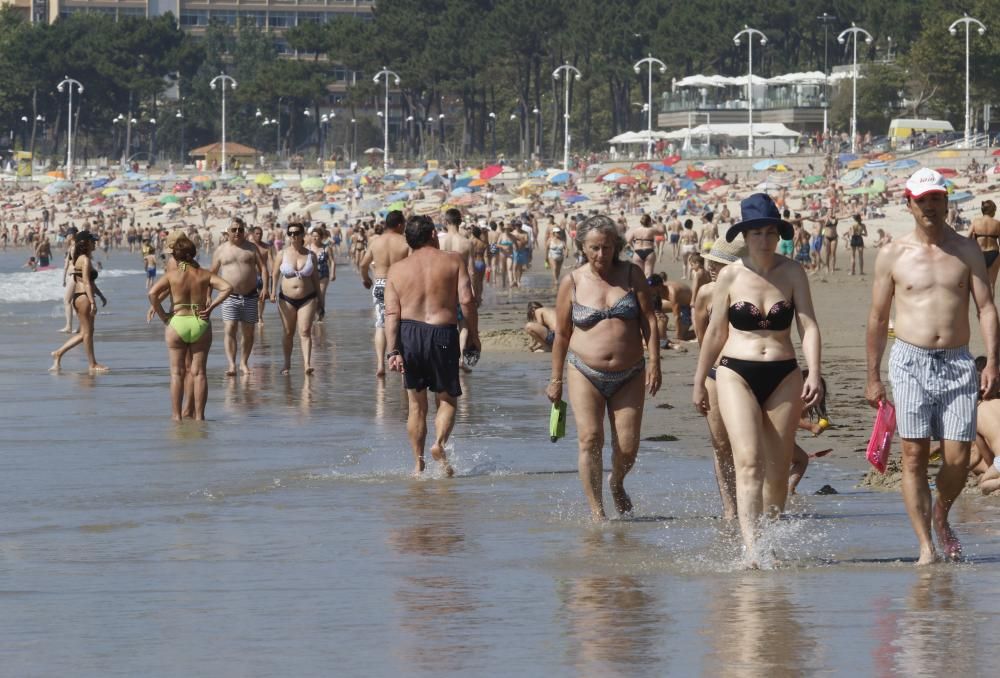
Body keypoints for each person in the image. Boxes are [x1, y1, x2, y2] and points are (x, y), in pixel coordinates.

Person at [866, 168, 999, 565]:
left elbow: (987, 308)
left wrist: (992, 361)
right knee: (913, 455)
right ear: (909, 203)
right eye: (922, 200)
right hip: (909, 359)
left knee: (957, 459)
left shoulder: (966, 250)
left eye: (936, 199)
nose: (930, 207)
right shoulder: (893, 253)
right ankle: (926, 546)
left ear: (946, 203)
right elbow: (876, 317)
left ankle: (941, 512)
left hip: (959, 361)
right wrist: (872, 375)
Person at [694, 194, 822, 565]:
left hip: (783, 373)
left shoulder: (794, 272)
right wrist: (700, 380)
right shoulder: (730, 275)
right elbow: (715, 334)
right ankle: (751, 549)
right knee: (748, 461)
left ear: (778, 234)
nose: (764, 240)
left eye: (770, 232)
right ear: (744, 237)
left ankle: (770, 540)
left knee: (779, 468)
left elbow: (808, 325)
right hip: (736, 371)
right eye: (756, 233)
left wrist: (814, 371)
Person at [546, 214, 661, 521]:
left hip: (631, 372)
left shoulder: (632, 274)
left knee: (627, 447)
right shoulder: (571, 281)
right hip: (585, 371)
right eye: (594, 248)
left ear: (617, 246)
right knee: (590, 438)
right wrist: (555, 379)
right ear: (582, 247)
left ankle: (617, 481)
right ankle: (597, 512)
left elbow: (649, 319)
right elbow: (562, 334)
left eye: (607, 247)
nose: (600, 255)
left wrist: (655, 363)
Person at [383, 215, 480, 477]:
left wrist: (393, 350)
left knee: (416, 405)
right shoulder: (452, 260)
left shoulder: (396, 269)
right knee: (446, 399)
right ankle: (438, 444)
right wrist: (473, 334)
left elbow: (391, 314)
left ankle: (418, 463)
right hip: (442, 334)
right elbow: (467, 300)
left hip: (409, 334)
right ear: (433, 236)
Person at [147, 237, 232, 420]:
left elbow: (152, 293)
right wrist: (211, 307)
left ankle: (176, 417)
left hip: (177, 321)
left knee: (177, 373)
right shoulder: (204, 274)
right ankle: (199, 417)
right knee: (199, 372)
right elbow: (227, 287)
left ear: (176, 256)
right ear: (193, 253)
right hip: (199, 321)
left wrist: (162, 316)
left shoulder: (172, 275)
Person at [693, 239, 747, 519]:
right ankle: (730, 507)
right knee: (721, 443)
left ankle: (751, 502)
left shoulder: (751, 289)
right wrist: (701, 378)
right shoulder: (705, 293)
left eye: (721, 263)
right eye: (712, 261)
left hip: (746, 371)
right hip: (715, 372)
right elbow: (703, 337)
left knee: (747, 443)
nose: (713, 267)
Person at [211, 217, 270, 376]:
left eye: (241, 229)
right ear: (228, 232)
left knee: (249, 331)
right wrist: (208, 296)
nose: (237, 232)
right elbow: (212, 275)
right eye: (234, 229)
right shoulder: (221, 250)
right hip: (229, 296)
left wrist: (265, 287)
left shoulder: (251, 248)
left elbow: (263, 269)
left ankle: (243, 362)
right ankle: (231, 364)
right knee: (230, 328)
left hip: (251, 296)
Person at [360, 210, 410, 377]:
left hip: (380, 283)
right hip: (399, 283)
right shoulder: (404, 241)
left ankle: (381, 365)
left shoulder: (375, 242)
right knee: (402, 323)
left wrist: (366, 279)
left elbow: (363, 264)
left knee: (381, 324)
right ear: (399, 225)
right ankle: (403, 361)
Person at [50, 231, 109, 372]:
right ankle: (92, 364)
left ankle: (59, 353)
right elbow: (87, 283)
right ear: (85, 243)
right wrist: (93, 302)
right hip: (84, 297)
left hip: (82, 296)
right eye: (92, 241)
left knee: (85, 332)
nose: (95, 243)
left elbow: (88, 281)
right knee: (87, 333)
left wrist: (100, 295)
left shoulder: (80, 258)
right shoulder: (85, 260)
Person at [272, 222, 321, 375]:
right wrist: (272, 291)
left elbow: (315, 278)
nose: (293, 236)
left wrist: (320, 299)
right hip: (286, 298)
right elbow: (274, 274)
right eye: (290, 233)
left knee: (305, 331)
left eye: (296, 233)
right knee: (288, 332)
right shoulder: (282, 254)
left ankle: (307, 364)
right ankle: (287, 363)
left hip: (308, 297)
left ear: (302, 235)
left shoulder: (311, 255)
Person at [967, 199, 1000, 293]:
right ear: (992, 210)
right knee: (991, 284)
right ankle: (991, 306)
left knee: (980, 284)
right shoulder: (997, 224)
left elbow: (966, 239)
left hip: (979, 254)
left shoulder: (975, 222)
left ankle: (982, 306)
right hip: (994, 254)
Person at [307, 225, 336, 321]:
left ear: (321, 237)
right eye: (313, 236)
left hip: (323, 274)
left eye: (317, 236)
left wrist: (333, 273)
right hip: (310, 274)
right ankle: (314, 313)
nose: (315, 238)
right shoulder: (307, 248)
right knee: (312, 296)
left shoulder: (326, 248)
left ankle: (320, 316)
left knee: (321, 295)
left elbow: (332, 261)